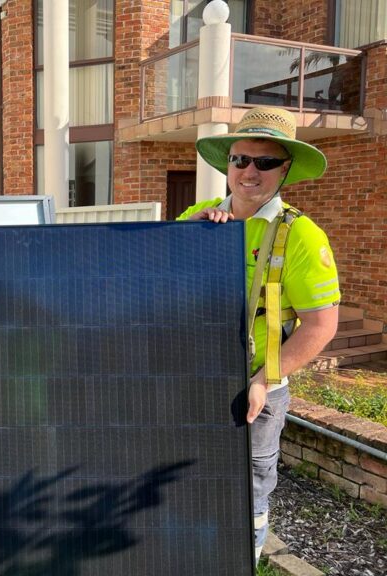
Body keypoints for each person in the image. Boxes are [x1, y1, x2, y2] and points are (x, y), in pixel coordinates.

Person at [178, 106, 340, 562]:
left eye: (264, 163)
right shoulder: (200, 214)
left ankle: (241, 561)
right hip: (195, 380)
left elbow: (322, 325)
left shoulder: (302, 236)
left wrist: (263, 380)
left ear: (284, 169)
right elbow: (158, 278)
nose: (249, 171)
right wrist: (185, 235)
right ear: (227, 164)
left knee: (247, 490)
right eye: (240, 160)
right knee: (190, 475)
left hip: (256, 391)